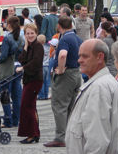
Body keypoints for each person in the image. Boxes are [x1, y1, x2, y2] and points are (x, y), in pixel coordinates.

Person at [65, 39, 118, 153]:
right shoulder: (105, 83)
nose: (79, 60)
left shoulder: (99, 88)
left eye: (85, 56)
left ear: (100, 57)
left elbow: (97, 140)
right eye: (79, 56)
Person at [44, 16, 82, 148]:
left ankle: (60, 137)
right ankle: (69, 135)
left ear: (59, 26)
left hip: (66, 75)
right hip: (76, 73)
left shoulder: (65, 38)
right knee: (71, 106)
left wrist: (60, 69)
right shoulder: (77, 38)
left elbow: (62, 55)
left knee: (60, 106)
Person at [16, 23, 44, 144]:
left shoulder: (38, 46)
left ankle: (32, 134)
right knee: (29, 106)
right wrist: (26, 47)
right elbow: (21, 59)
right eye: (28, 33)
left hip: (35, 79)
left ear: (36, 33)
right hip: (29, 79)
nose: (30, 35)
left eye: (32, 33)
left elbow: (36, 63)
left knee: (27, 106)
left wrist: (23, 68)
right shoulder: (30, 46)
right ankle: (34, 133)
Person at [0, 15, 24, 126]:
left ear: (9, 25)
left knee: (5, 95)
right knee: (16, 95)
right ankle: (16, 120)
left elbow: (3, 56)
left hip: (8, 68)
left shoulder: (8, 38)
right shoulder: (21, 38)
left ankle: (7, 120)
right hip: (18, 67)